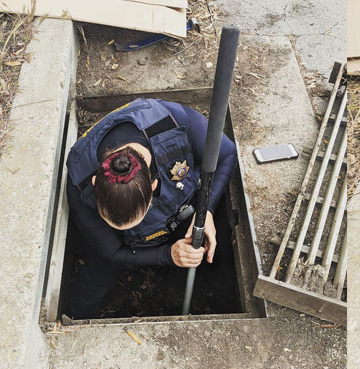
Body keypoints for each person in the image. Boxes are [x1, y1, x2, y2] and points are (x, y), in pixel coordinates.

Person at [64, 98, 238, 319]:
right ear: (96, 184)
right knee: (94, 280)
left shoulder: (173, 121)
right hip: (129, 244)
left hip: (182, 208)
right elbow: (113, 253)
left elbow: (227, 154)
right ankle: (75, 323)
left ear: (153, 186)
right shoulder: (80, 182)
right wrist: (167, 255)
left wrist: (208, 210)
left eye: (139, 216)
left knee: (219, 254)